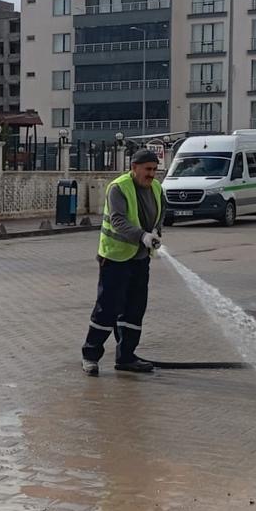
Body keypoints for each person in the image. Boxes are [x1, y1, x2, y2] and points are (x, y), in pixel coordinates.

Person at [81, 147, 164, 376]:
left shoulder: (156, 187)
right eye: (147, 169)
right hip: (115, 258)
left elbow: (161, 212)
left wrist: (156, 232)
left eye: (155, 170)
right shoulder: (118, 188)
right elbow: (117, 220)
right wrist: (142, 236)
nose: (151, 174)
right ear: (134, 167)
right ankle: (90, 356)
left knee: (135, 309)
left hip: (140, 260)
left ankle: (126, 356)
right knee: (107, 310)